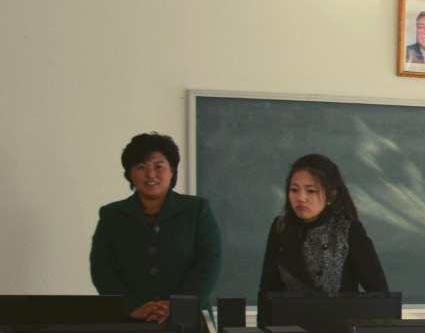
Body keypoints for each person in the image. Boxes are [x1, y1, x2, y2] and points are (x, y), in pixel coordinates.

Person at [90, 132, 223, 322]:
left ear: (172, 170)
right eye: (141, 167)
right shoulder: (112, 215)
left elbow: (210, 262)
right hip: (132, 322)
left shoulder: (196, 210)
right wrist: (131, 306)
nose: (150, 174)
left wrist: (178, 305)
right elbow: (101, 269)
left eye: (158, 166)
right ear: (129, 173)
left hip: (189, 319)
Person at [256, 154, 389, 316]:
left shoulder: (347, 230)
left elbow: (380, 296)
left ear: (330, 196)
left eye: (311, 191)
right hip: (291, 330)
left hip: (339, 330)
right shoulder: (281, 229)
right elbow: (268, 291)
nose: (301, 198)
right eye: (294, 190)